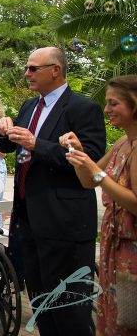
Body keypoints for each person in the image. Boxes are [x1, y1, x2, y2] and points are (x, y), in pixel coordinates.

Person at [0, 46, 106, 335]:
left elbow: (90, 158)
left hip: (64, 223)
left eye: (34, 68)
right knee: (41, 302)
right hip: (28, 221)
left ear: (55, 70)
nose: (27, 73)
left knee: (69, 310)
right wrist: (2, 130)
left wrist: (36, 145)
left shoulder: (83, 108)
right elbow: (7, 146)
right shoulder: (30, 107)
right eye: (27, 68)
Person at [61, 75, 137, 336]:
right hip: (112, 249)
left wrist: (96, 171)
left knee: (129, 320)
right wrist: (78, 152)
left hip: (132, 252)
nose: (107, 110)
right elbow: (87, 181)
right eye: (107, 103)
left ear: (134, 105)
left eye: (114, 103)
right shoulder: (121, 144)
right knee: (114, 317)